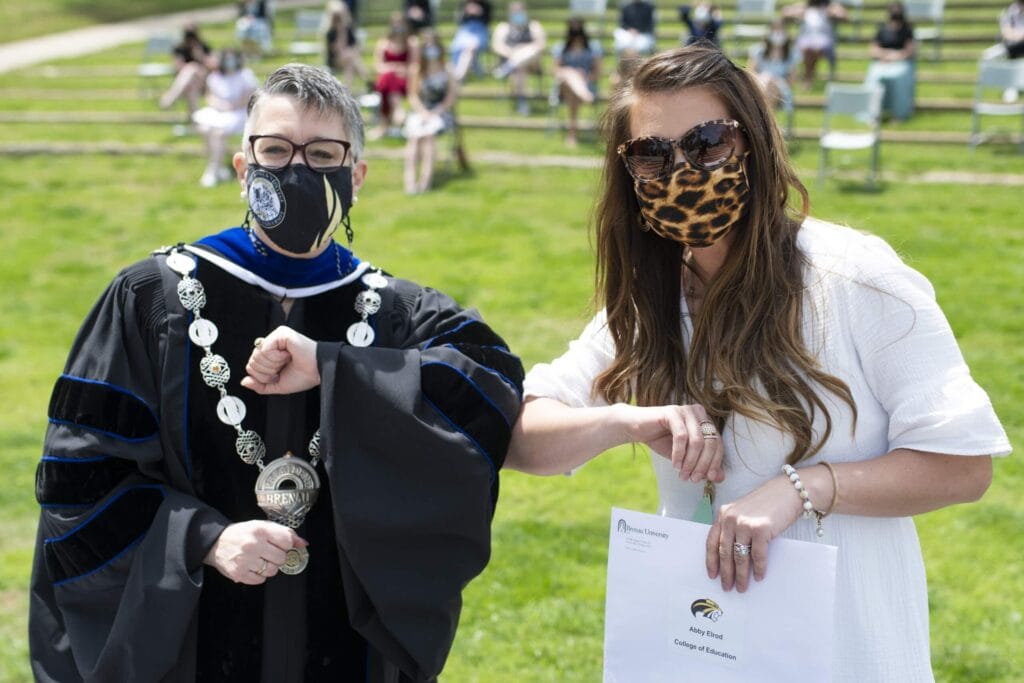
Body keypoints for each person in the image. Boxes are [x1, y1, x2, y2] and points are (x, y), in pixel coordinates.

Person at [504, 45, 1010, 682]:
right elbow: (520, 435)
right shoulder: (647, 305)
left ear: (753, 144)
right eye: (652, 154)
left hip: (846, 651)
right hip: (700, 651)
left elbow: (962, 466)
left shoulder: (854, 276)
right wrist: (627, 422)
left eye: (708, 142)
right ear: (628, 172)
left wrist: (802, 489)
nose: (684, 170)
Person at [29, 62, 524, 683]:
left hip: (344, 643)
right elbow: (80, 477)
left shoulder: (390, 310)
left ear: (357, 176)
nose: (298, 170)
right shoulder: (153, 297)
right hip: (193, 637)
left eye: (323, 154)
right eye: (275, 150)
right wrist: (201, 538)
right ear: (243, 170)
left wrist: (337, 367)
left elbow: (493, 385)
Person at [193, 48, 258, 187]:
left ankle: (212, 170)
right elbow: (209, 96)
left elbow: (248, 96)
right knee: (204, 128)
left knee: (218, 133)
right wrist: (218, 104)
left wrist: (230, 106)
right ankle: (219, 164)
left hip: (239, 113)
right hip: (219, 111)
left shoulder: (245, 75)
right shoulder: (215, 77)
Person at [404, 30, 459, 194]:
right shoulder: (417, 70)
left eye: (433, 44)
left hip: (441, 113)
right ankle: (410, 182)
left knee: (428, 136)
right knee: (414, 138)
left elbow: (451, 97)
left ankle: (425, 181)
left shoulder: (447, 70)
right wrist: (423, 112)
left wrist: (436, 112)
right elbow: (412, 95)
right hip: (421, 111)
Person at [491, 2, 547, 116]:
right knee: (520, 69)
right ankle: (522, 102)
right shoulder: (503, 27)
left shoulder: (534, 26)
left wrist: (523, 49)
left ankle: (511, 67)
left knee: (532, 51)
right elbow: (497, 46)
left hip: (533, 62)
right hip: (510, 59)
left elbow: (541, 45)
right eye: (515, 11)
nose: (518, 13)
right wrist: (513, 53)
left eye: (520, 10)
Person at [864, 2, 917, 122]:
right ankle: (873, 113)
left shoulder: (908, 29)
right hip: (882, 62)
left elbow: (910, 51)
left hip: (901, 63)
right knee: (875, 77)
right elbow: (873, 49)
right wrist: (885, 55)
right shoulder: (881, 28)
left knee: (899, 79)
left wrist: (896, 56)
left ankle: (898, 113)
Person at [554, 17, 602, 147]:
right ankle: (584, 94)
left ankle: (572, 135)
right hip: (564, 88)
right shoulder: (561, 48)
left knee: (573, 94)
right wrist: (573, 74)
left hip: (586, 84)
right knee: (568, 73)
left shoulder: (593, 48)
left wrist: (584, 78)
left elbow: (597, 72)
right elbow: (557, 71)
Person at [371, 13, 418, 138]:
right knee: (388, 77)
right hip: (387, 78)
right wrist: (392, 68)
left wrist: (401, 69)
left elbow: (415, 65)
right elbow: (378, 65)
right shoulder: (384, 43)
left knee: (388, 81)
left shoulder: (412, 42)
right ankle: (398, 110)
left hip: (404, 80)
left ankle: (383, 126)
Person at [785, 0, 848, 88]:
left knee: (814, 48)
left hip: (824, 40)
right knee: (808, 48)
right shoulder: (804, 7)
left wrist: (834, 13)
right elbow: (785, 13)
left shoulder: (831, 7)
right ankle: (809, 76)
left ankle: (808, 77)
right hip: (806, 40)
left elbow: (844, 16)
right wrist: (796, 12)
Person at [159, 22, 214, 117]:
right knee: (191, 84)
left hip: (203, 82)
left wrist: (200, 57)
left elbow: (212, 67)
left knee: (192, 68)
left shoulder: (204, 46)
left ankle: (170, 98)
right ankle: (194, 119)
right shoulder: (179, 48)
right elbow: (177, 67)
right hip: (188, 83)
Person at [749, 18, 799, 117]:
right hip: (761, 84)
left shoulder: (791, 54)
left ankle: (765, 120)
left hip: (781, 88)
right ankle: (770, 121)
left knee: (771, 85)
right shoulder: (759, 51)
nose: (778, 33)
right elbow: (751, 72)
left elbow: (792, 80)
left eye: (781, 30)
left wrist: (775, 82)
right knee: (767, 82)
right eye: (775, 30)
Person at [324, 0, 367, 91]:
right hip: (335, 60)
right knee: (350, 59)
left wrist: (351, 53)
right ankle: (367, 79)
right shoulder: (330, 33)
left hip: (348, 59)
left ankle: (347, 89)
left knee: (349, 63)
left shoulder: (348, 29)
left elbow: (356, 47)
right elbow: (337, 50)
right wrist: (341, 32)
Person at [450, 0, 493, 82]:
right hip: (466, 30)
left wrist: (480, 12)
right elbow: (459, 21)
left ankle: (460, 76)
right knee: (456, 48)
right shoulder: (464, 4)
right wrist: (466, 13)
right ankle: (475, 68)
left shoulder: (486, 5)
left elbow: (488, 21)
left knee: (470, 48)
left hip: (480, 31)